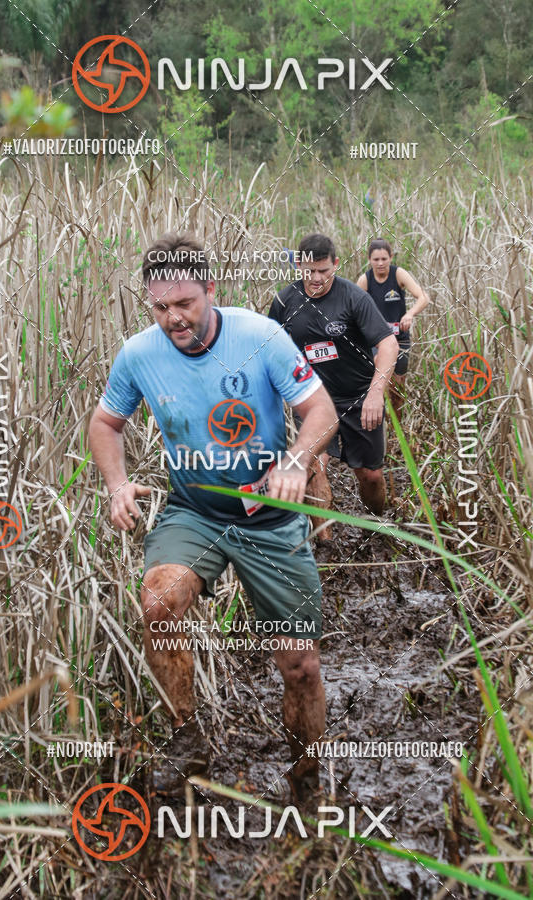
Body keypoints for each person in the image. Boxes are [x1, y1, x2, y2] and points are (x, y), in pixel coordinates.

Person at [89, 232, 338, 802]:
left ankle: (306, 778)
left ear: (210, 290)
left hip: (270, 518)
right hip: (195, 512)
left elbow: (320, 411)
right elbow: (106, 424)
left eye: (185, 303)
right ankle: (187, 736)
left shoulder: (261, 337)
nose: (173, 318)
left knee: (299, 665)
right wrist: (117, 484)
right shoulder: (138, 355)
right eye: (160, 307)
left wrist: (299, 460)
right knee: (158, 601)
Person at [268, 233, 398, 536]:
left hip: (359, 398)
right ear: (298, 264)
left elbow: (388, 344)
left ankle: (374, 525)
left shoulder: (353, 297)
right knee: (313, 467)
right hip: (313, 401)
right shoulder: (285, 301)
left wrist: (376, 393)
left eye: (323, 271)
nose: (316, 278)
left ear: (335, 265)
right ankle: (324, 542)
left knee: (371, 476)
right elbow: (268, 348)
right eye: (309, 271)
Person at [357, 239, 430, 421]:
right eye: (376, 259)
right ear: (369, 260)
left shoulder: (399, 274)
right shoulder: (365, 280)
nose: (380, 263)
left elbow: (423, 297)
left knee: (398, 387)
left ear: (391, 257)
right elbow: (353, 308)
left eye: (384, 258)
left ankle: (397, 427)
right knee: (381, 381)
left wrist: (410, 314)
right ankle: (379, 424)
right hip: (377, 341)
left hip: (401, 338)